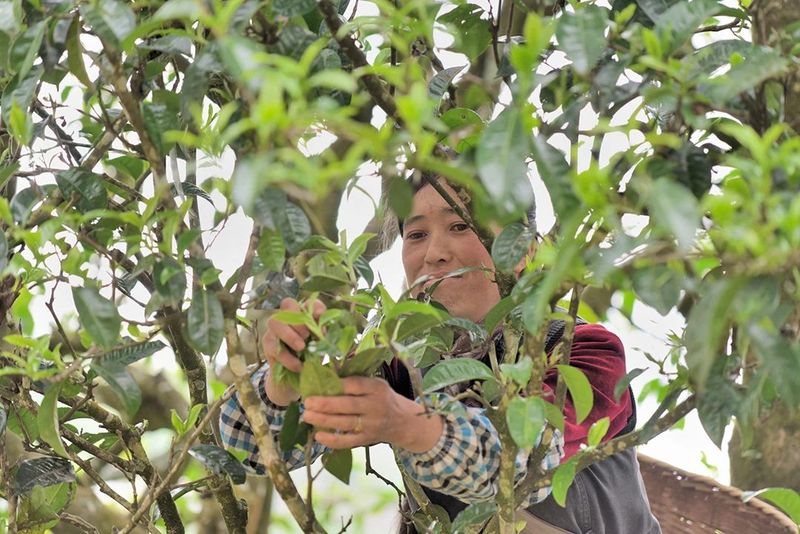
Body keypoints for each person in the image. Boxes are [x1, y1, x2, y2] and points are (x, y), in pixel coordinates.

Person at [219, 177, 661, 533]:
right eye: (415, 234)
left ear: (525, 248)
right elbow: (249, 448)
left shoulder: (587, 353)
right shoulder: (401, 358)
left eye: (460, 225)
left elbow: (517, 467)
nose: (433, 253)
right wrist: (286, 381)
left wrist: (404, 423)